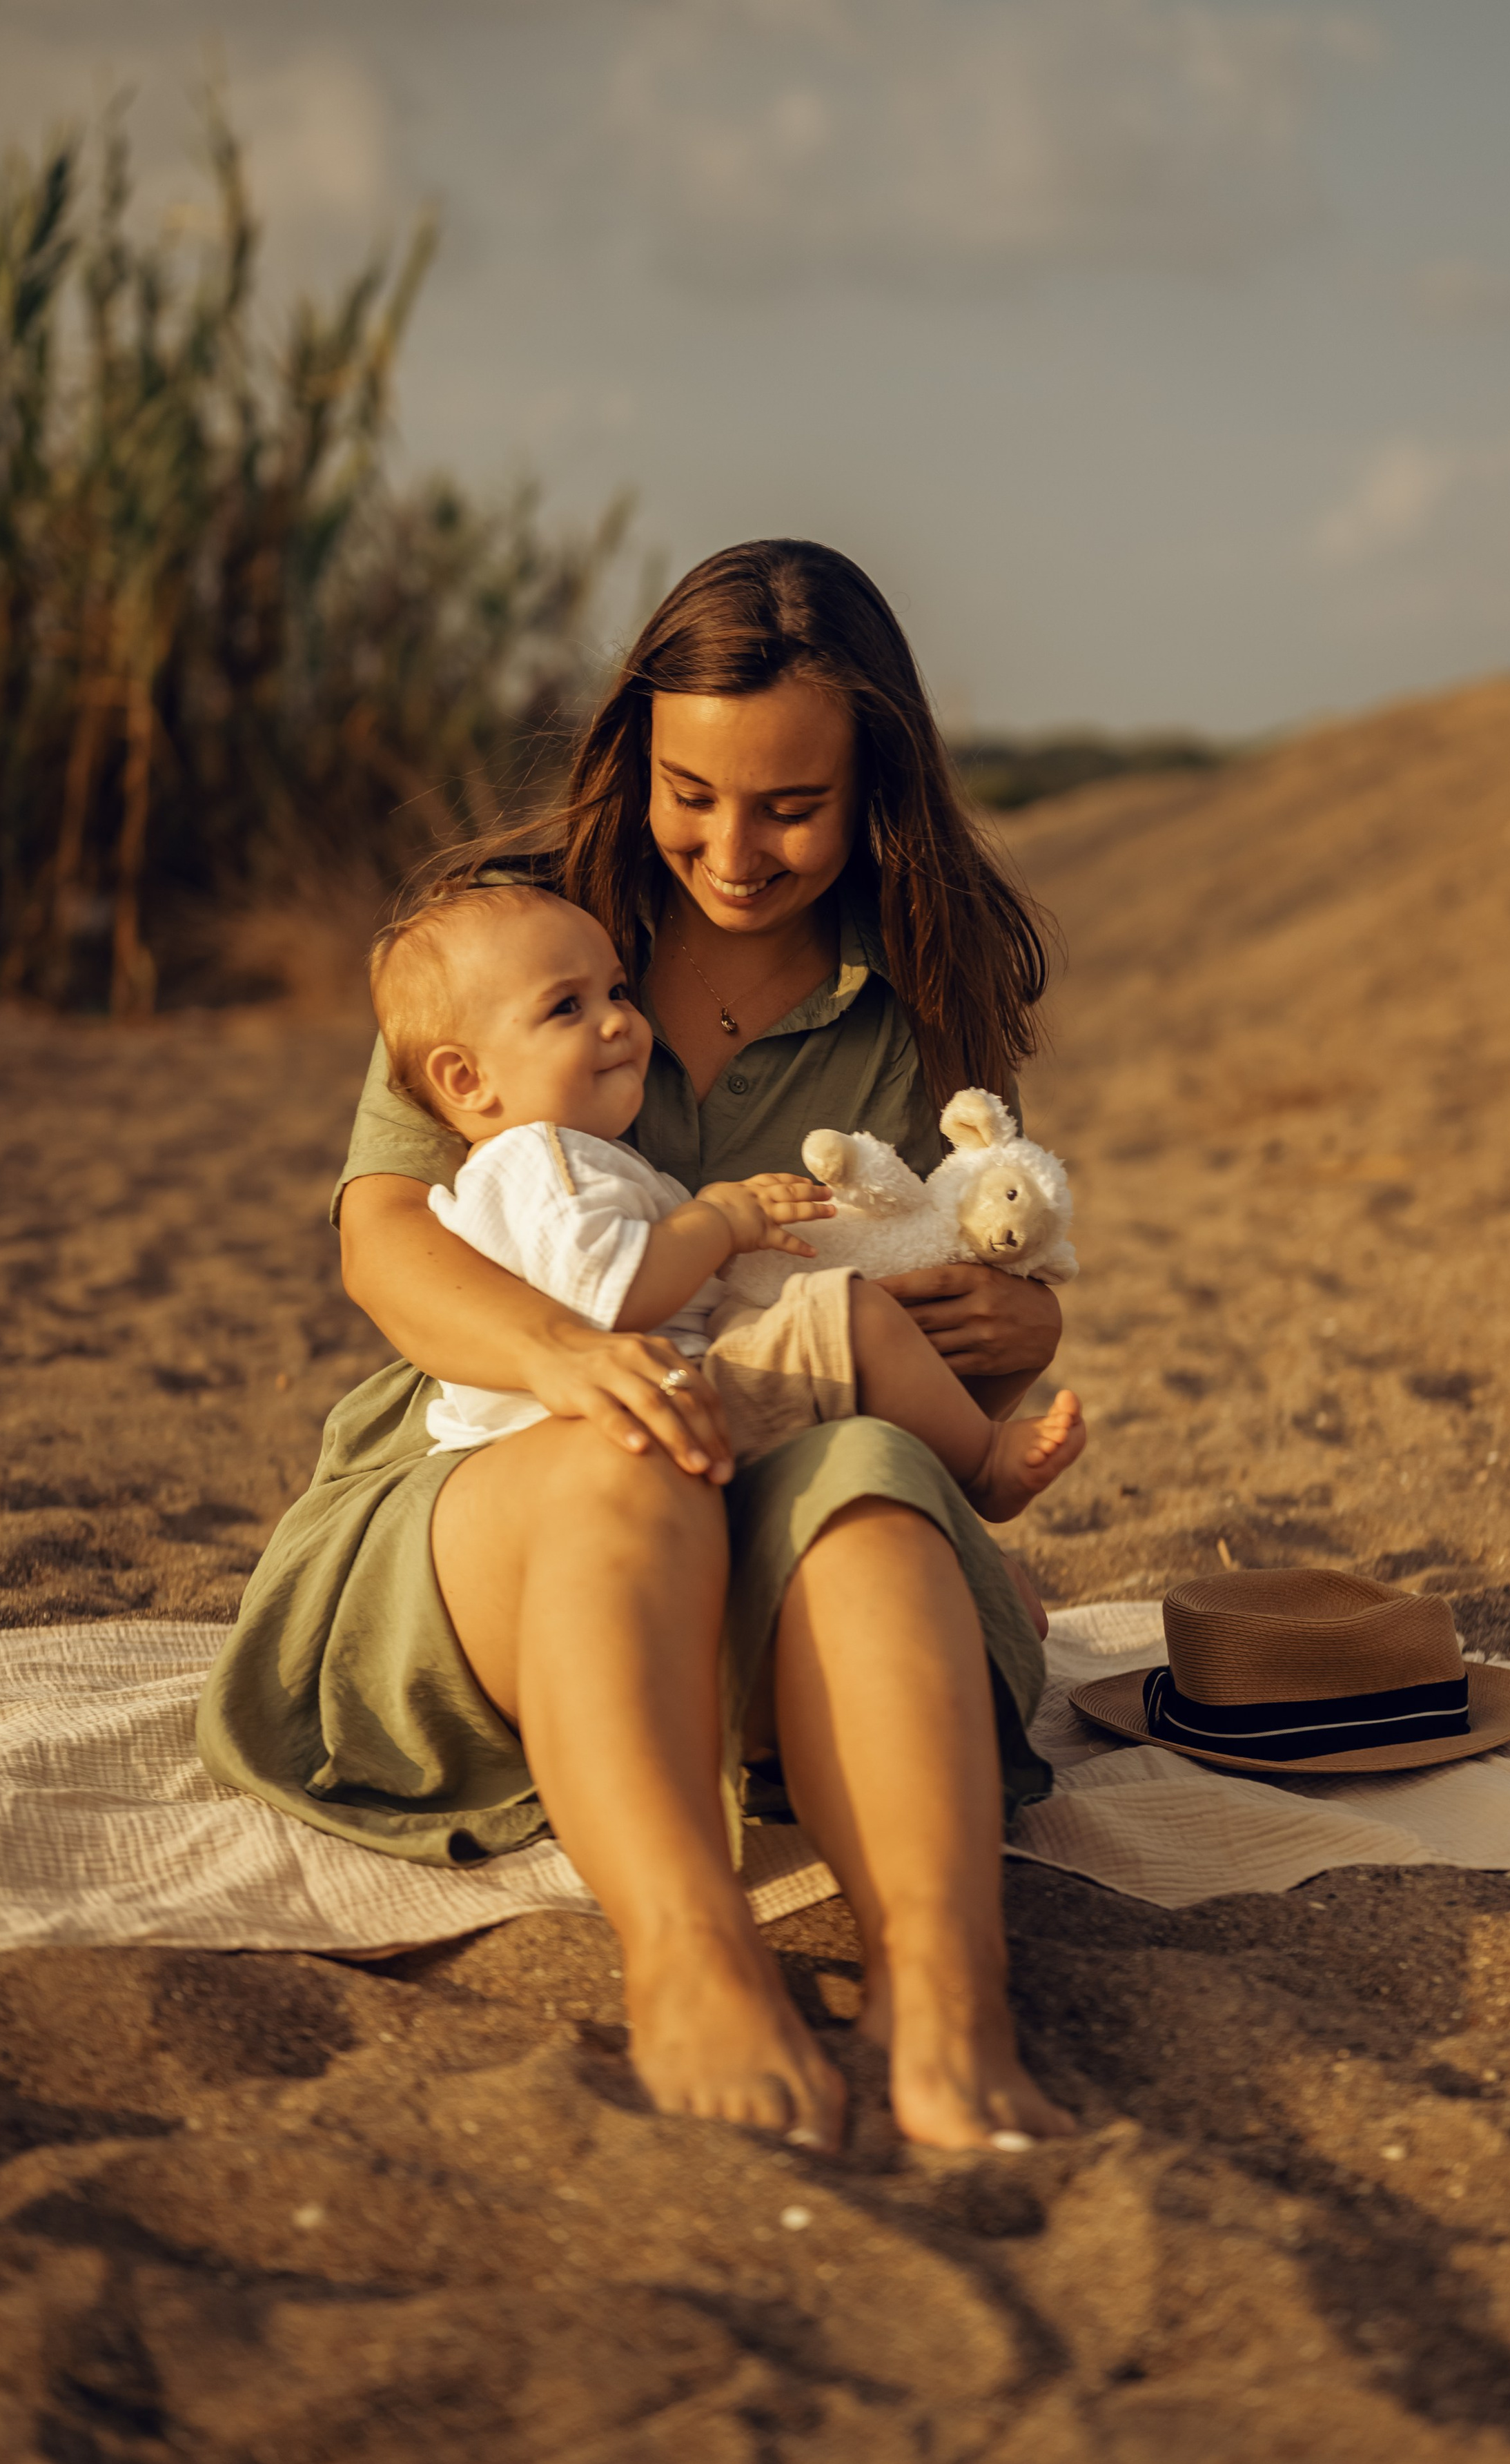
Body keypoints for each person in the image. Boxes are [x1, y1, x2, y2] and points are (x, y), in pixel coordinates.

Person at [199, 538, 1077, 2153]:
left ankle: (942, 1994)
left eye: (791, 808)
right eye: (692, 791)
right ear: (636, 751)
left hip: (794, 1503)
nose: (731, 850)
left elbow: (931, 1281)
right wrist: (557, 1350)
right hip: (521, 1516)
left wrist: (1020, 1326)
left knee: (876, 1473)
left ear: (877, 782)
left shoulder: (916, 984)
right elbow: (382, 1238)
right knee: (625, 1447)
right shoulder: (517, 935)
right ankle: (688, 1954)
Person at [371, 879, 1088, 1520]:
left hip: (665, 1399)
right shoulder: (538, 1159)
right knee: (847, 1315)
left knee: (835, 1327)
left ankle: (951, 1520)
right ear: (465, 1081)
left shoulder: (581, 1158)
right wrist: (715, 1220)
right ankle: (982, 1467)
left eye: (617, 992)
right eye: (566, 1007)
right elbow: (606, 1293)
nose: (617, 1019)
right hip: (617, 1420)